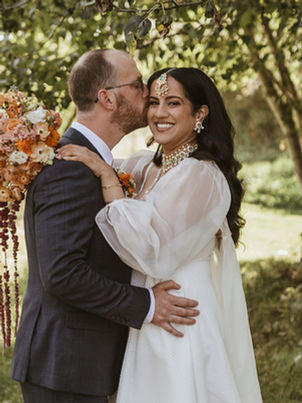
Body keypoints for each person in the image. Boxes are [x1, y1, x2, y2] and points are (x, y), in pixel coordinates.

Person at [57, 67, 263, 402]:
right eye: (153, 102)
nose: (159, 113)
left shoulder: (201, 176)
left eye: (173, 103)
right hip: (150, 311)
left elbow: (152, 253)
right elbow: (92, 161)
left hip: (180, 312)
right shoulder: (143, 166)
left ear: (200, 113)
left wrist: (108, 178)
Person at [11, 51, 200, 403]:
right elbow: (62, 273)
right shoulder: (70, 168)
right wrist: (146, 304)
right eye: (138, 85)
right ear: (107, 98)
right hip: (65, 365)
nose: (148, 93)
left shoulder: (94, 162)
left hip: (80, 362)